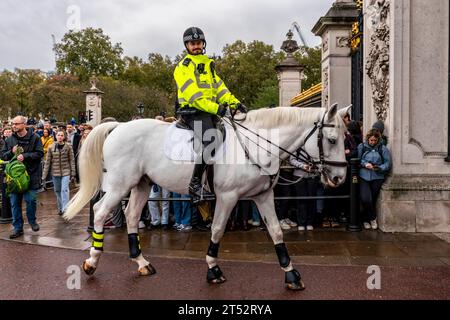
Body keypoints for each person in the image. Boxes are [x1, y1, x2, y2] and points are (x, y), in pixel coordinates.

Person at [173, 26, 247, 204]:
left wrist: (235, 103)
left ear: (203, 44)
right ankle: (195, 184)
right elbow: (195, 97)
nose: (196, 46)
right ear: (187, 46)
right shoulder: (183, 67)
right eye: (193, 43)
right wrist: (218, 109)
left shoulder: (208, 64)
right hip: (193, 112)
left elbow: (221, 89)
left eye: (199, 43)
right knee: (212, 139)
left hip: (209, 112)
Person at [2, 116, 44, 238]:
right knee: (15, 203)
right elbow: (3, 156)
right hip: (15, 179)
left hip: (31, 175)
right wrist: (11, 152)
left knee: (30, 201)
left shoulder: (35, 138)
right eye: (12, 124)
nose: (13, 126)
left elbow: (40, 153)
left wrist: (25, 156)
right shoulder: (9, 139)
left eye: (16, 124)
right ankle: (18, 228)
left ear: (24, 124)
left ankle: (32, 221)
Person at [358, 129, 392, 230]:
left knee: (372, 200)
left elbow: (388, 163)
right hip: (364, 176)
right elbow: (358, 159)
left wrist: (380, 167)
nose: (373, 142)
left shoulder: (383, 149)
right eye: (371, 140)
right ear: (368, 139)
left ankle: (365, 220)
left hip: (377, 177)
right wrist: (365, 164)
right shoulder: (362, 147)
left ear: (378, 140)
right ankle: (372, 218)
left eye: (375, 140)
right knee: (365, 199)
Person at [42, 130, 76, 215]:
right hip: (55, 172)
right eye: (58, 135)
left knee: (64, 189)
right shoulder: (51, 147)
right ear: (56, 136)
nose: (60, 137)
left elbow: (72, 160)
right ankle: (61, 207)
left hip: (66, 171)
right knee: (57, 190)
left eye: (61, 135)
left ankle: (66, 208)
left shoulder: (68, 146)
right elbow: (47, 162)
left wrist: (73, 173)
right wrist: (44, 176)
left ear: (64, 137)